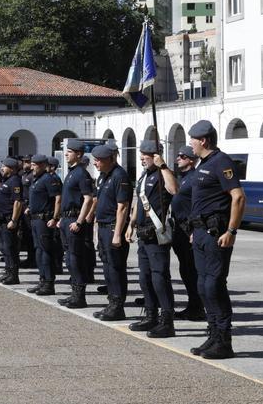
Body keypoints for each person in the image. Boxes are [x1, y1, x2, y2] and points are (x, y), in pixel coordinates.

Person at [187, 119, 246, 360]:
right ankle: (212, 335)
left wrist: (231, 231)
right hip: (200, 232)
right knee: (203, 286)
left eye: (192, 139)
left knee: (214, 286)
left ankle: (224, 340)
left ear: (203, 140)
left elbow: (238, 197)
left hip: (216, 234)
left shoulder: (222, 162)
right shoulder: (205, 163)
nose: (189, 144)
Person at [127, 140, 179, 337]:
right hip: (142, 233)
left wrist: (163, 165)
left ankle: (167, 321)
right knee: (145, 278)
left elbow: (174, 190)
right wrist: (131, 224)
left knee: (159, 278)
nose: (141, 157)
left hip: (156, 234)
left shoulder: (162, 174)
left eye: (146, 154)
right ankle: (151, 316)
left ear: (156, 156)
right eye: (141, 153)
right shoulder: (144, 176)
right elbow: (138, 203)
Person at [91, 144, 131, 321]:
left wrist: (117, 234)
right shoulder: (104, 176)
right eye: (95, 160)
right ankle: (111, 302)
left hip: (114, 227)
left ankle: (117, 306)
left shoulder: (119, 176)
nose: (95, 163)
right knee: (107, 266)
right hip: (104, 226)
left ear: (110, 159)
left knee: (116, 268)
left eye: (99, 160)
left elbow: (122, 207)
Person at [58, 141, 96, 309]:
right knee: (69, 258)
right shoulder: (72, 172)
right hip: (66, 219)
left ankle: (80, 296)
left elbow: (88, 199)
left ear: (79, 154)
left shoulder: (81, 173)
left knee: (75, 259)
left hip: (74, 219)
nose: (66, 154)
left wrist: (80, 221)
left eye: (70, 152)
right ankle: (74, 293)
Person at [169, 146, 203, 320]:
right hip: (179, 229)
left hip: (189, 229)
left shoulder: (194, 178)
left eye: (182, 156)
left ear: (191, 159)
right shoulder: (182, 178)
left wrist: (195, 229)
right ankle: (193, 305)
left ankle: (197, 307)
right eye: (178, 155)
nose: (178, 158)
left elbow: (198, 205)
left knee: (192, 270)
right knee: (186, 270)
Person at [26, 154, 62, 296]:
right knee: (39, 251)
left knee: (46, 251)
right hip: (35, 219)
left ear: (42, 165)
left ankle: (48, 283)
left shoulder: (49, 179)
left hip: (44, 219)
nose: (32, 167)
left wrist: (55, 217)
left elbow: (58, 199)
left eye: (34, 165)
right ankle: (42, 280)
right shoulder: (37, 179)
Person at [0, 157, 24, 285]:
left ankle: (13, 275)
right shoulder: (6, 180)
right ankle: (7, 272)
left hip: (8, 221)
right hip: (0, 220)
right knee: (4, 248)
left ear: (11, 168)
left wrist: (14, 220)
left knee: (10, 248)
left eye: (4, 166)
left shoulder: (15, 181)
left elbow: (17, 202)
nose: (2, 168)